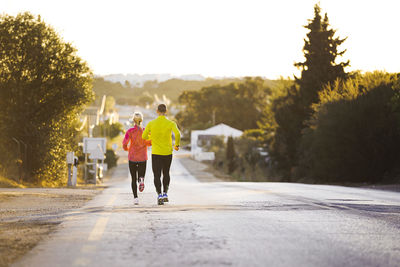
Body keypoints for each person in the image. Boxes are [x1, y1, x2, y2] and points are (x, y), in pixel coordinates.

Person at [142, 104, 181, 205]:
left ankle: (159, 194)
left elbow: (144, 136)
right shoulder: (171, 123)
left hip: (156, 153)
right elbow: (177, 134)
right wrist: (176, 145)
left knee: (157, 175)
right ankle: (165, 194)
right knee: (166, 173)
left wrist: (152, 138)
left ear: (157, 111)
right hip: (167, 152)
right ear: (166, 111)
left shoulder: (151, 123)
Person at [122, 111, 151, 205]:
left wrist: (127, 149)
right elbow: (150, 142)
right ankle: (141, 179)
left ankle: (135, 198)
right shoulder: (145, 131)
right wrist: (145, 144)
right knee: (141, 175)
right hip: (143, 156)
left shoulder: (129, 131)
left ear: (133, 120)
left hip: (132, 157)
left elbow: (124, 143)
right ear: (141, 120)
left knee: (133, 178)